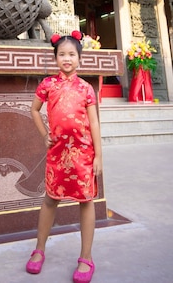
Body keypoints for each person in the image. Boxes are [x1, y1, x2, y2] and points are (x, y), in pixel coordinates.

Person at [26, 31, 101, 283]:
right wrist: (44, 133)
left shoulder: (86, 88)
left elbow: (94, 123)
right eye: (62, 55)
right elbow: (34, 110)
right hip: (57, 153)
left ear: (79, 58)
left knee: (86, 201)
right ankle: (39, 249)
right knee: (50, 199)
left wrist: (99, 156)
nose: (66, 59)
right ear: (55, 58)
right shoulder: (48, 85)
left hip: (83, 153)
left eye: (71, 55)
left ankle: (86, 257)